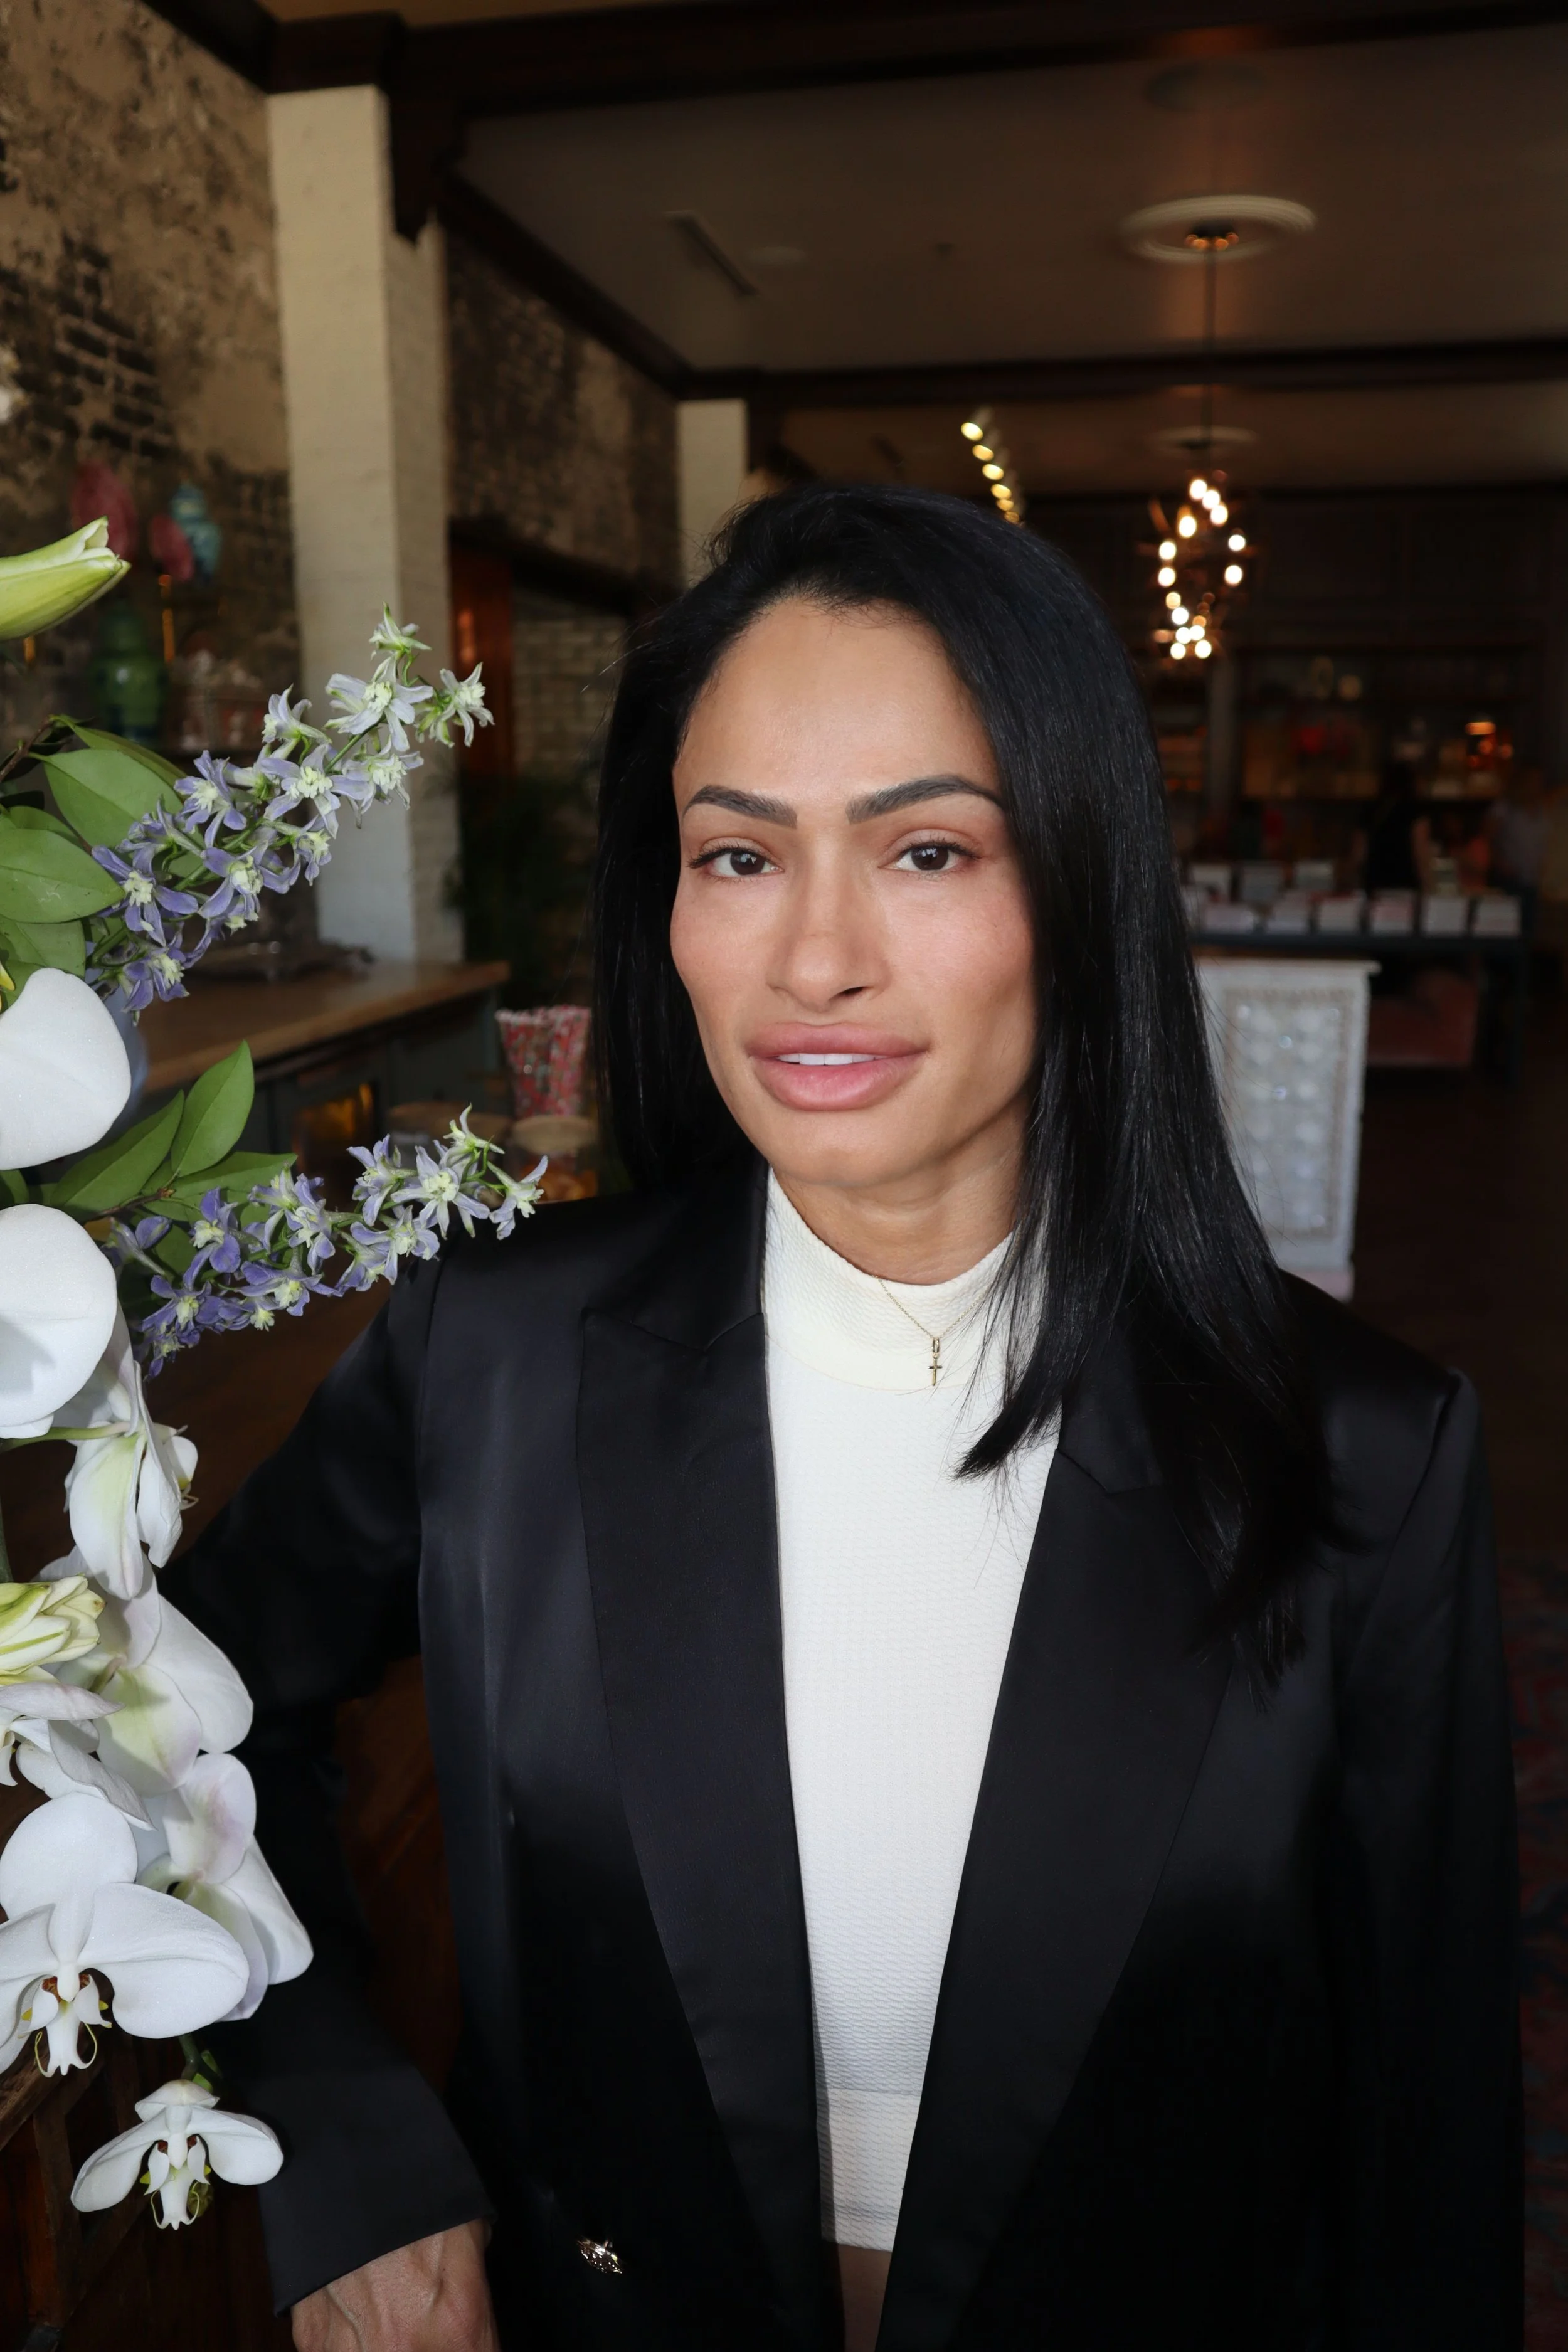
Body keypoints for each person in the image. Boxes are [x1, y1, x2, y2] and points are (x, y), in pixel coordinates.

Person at [167, 484, 1520, 2351]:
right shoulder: (495, 1357)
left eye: (927, 852)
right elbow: (171, 1710)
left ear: (1078, 882)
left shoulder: (1360, 1449)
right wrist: (336, 2131)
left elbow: (1423, 2135)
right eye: (737, 856)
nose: (814, 957)